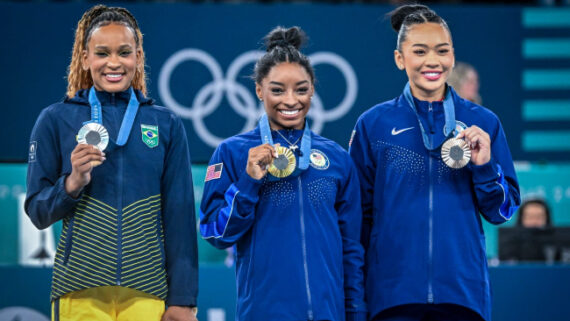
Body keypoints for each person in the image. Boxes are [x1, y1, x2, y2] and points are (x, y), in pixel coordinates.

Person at [25, 5, 198, 321]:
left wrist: (183, 300)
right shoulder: (55, 119)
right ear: (85, 58)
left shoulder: (166, 124)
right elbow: (37, 211)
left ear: (138, 57)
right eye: (102, 53)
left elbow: (180, 217)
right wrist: (72, 182)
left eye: (124, 52)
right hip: (79, 288)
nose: (114, 63)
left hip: (147, 291)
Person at [349, 4, 520, 321]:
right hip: (391, 297)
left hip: (462, 296)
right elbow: (358, 219)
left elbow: (501, 211)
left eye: (441, 51)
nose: (432, 61)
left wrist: (484, 168)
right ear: (400, 59)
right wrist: (356, 301)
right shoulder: (373, 125)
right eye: (419, 51)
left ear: (452, 56)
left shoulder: (483, 122)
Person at [199, 26, 366, 321]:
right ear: (259, 90)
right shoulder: (233, 153)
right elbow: (215, 232)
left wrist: (355, 312)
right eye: (277, 90)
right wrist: (249, 181)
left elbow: (351, 248)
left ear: (312, 89)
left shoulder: (337, 158)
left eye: (301, 89)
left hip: (328, 314)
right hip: (263, 313)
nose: (290, 101)